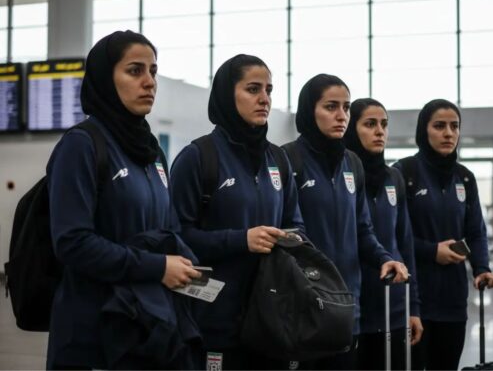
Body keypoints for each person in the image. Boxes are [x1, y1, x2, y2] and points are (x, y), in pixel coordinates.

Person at [46, 31, 202, 369]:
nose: (149, 82)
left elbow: (166, 230)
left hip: (147, 326)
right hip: (95, 331)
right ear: (106, 78)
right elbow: (72, 242)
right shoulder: (81, 146)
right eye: (135, 71)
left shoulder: (152, 152)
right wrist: (158, 267)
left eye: (153, 71)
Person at [170, 54, 305, 370]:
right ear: (227, 94)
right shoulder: (198, 157)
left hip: (271, 320)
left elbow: (296, 223)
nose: (264, 99)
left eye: (269, 90)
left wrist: (287, 238)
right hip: (214, 320)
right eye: (253, 89)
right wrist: (240, 240)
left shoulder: (278, 159)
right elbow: (177, 237)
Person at [283, 74, 408, 370]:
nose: (341, 116)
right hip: (303, 306)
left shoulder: (353, 163)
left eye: (346, 107)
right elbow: (286, 235)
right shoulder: (287, 158)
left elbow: (362, 229)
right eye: (331, 107)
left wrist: (384, 258)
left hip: (346, 308)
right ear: (309, 110)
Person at [393, 98, 493, 371]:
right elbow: (393, 238)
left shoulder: (465, 177)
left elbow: (476, 232)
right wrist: (432, 251)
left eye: (454, 126)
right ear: (424, 130)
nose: (448, 133)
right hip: (413, 299)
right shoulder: (402, 173)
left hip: (453, 299)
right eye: (439, 126)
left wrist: (481, 268)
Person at [344, 98, 423, 370]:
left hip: (394, 307)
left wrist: (414, 308)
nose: (380, 131)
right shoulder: (342, 176)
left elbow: (405, 244)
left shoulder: (394, 178)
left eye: (384, 124)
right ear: (351, 129)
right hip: (351, 308)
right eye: (370, 124)